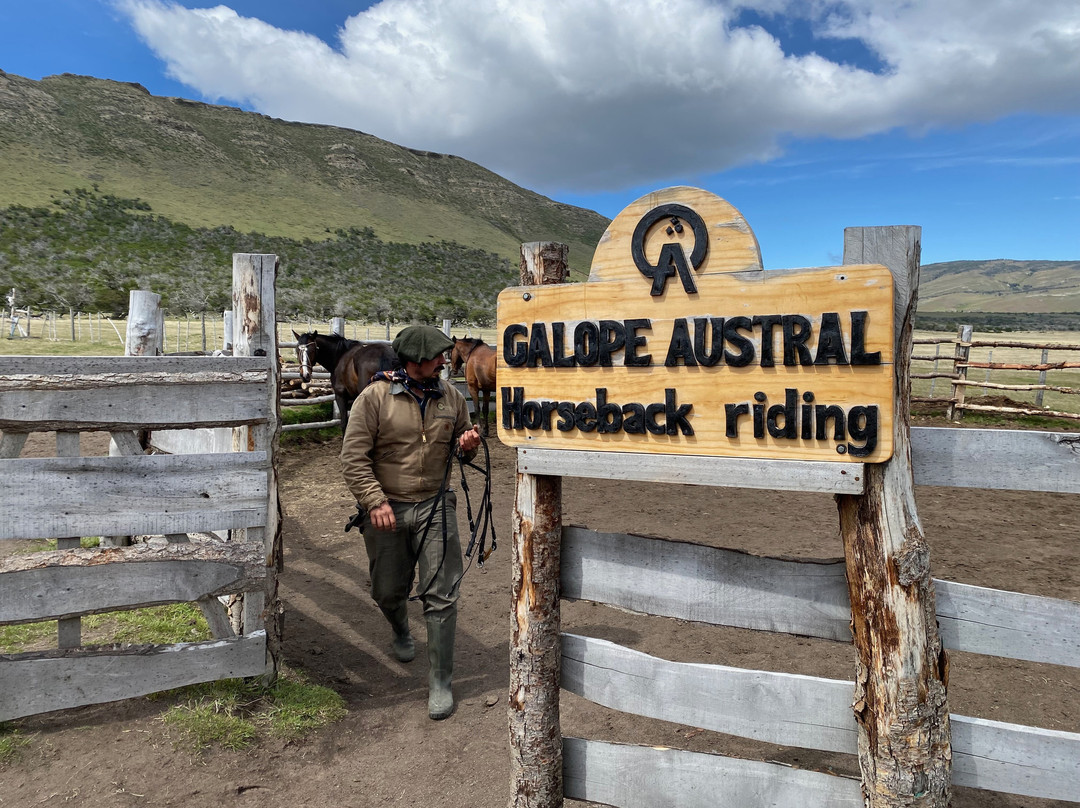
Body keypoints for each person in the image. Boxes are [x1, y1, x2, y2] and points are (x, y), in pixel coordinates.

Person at [340, 324, 481, 720]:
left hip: (436, 506)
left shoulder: (451, 396)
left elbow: (460, 452)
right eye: (436, 356)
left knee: (441, 593)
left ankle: (440, 681)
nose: (443, 361)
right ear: (415, 360)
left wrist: (465, 446)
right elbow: (352, 460)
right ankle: (400, 627)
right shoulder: (375, 397)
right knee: (386, 590)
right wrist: (374, 501)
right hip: (387, 510)